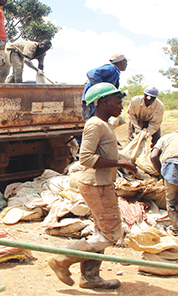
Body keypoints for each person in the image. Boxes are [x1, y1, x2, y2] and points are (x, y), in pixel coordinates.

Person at [47, 82, 135, 290]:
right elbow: (85, 158)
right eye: (117, 101)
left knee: (101, 231)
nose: (121, 105)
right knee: (111, 234)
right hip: (97, 185)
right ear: (104, 102)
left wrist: (121, 159)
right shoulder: (95, 124)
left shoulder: (104, 124)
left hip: (100, 183)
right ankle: (62, 259)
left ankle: (90, 277)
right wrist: (120, 163)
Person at [81, 54, 128, 122]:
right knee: (93, 122)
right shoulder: (112, 68)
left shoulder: (116, 73)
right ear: (121, 62)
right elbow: (92, 73)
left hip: (98, 100)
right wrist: (102, 90)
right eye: (126, 61)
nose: (126, 64)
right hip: (92, 100)